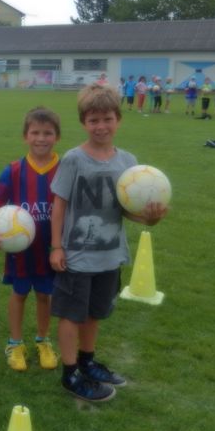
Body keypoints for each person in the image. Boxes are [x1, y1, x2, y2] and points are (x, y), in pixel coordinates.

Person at [49, 84, 167, 402]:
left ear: (118, 120)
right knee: (71, 314)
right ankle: (70, 373)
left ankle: (87, 362)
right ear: (83, 123)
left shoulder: (128, 162)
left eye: (107, 119)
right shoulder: (73, 159)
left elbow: (127, 209)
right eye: (93, 120)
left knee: (95, 313)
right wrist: (57, 246)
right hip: (76, 255)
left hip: (110, 254)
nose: (101, 126)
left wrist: (150, 220)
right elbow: (59, 204)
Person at [0, 107, 61, 372]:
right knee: (19, 293)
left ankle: (43, 340)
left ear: (57, 136)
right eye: (35, 132)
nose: (41, 138)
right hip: (20, 249)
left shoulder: (64, 169)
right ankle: (15, 343)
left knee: (45, 294)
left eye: (47, 133)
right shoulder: (14, 170)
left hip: (51, 248)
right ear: (26, 136)